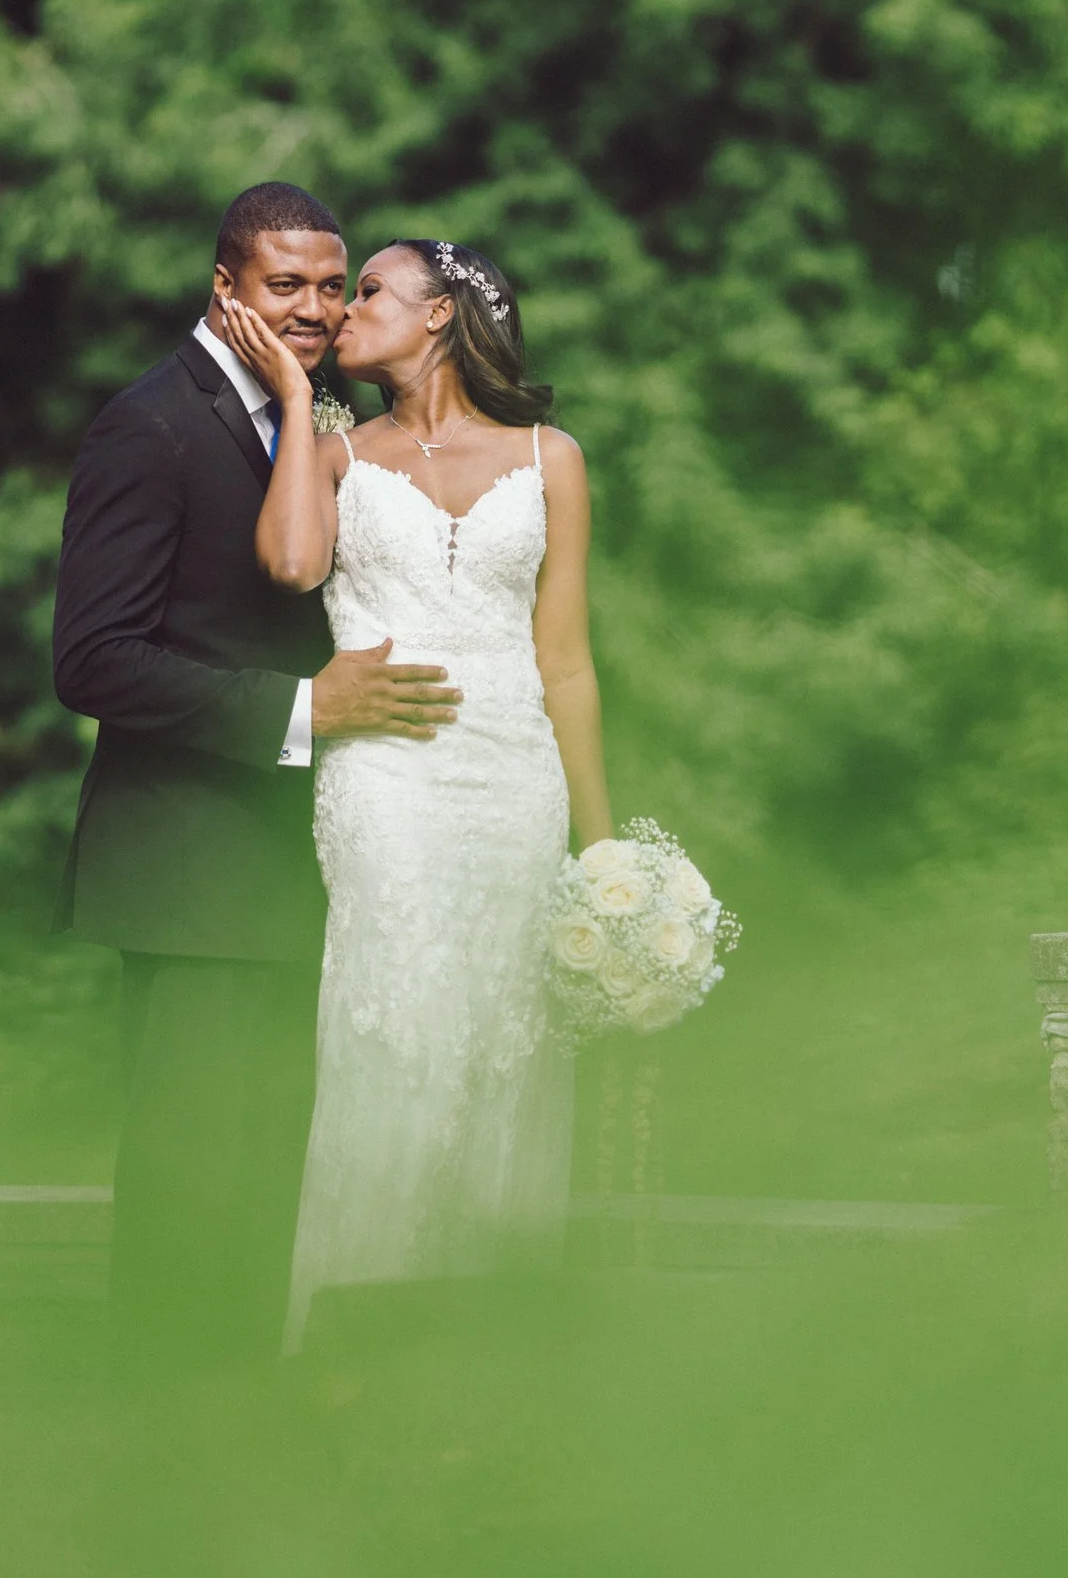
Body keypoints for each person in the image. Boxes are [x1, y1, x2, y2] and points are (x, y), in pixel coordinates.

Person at [52, 184, 464, 1371]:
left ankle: (240, 1461)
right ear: (225, 288)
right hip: (190, 876)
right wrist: (306, 707)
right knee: (188, 1197)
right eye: (286, 285)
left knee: (264, 1195)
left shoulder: (314, 416)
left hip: (301, 869)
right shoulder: (151, 424)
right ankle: (159, 1474)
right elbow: (94, 659)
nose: (316, 308)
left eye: (334, 286)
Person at [220, 237, 610, 1349]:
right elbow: (293, 565)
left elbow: (568, 661)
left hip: (514, 783)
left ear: (438, 315)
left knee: (505, 1044)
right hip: (386, 780)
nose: (339, 312)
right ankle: (350, 1351)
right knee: (393, 1034)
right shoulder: (338, 454)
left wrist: (601, 847)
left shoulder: (552, 458)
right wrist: (299, 400)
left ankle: (487, 1362)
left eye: (368, 293)